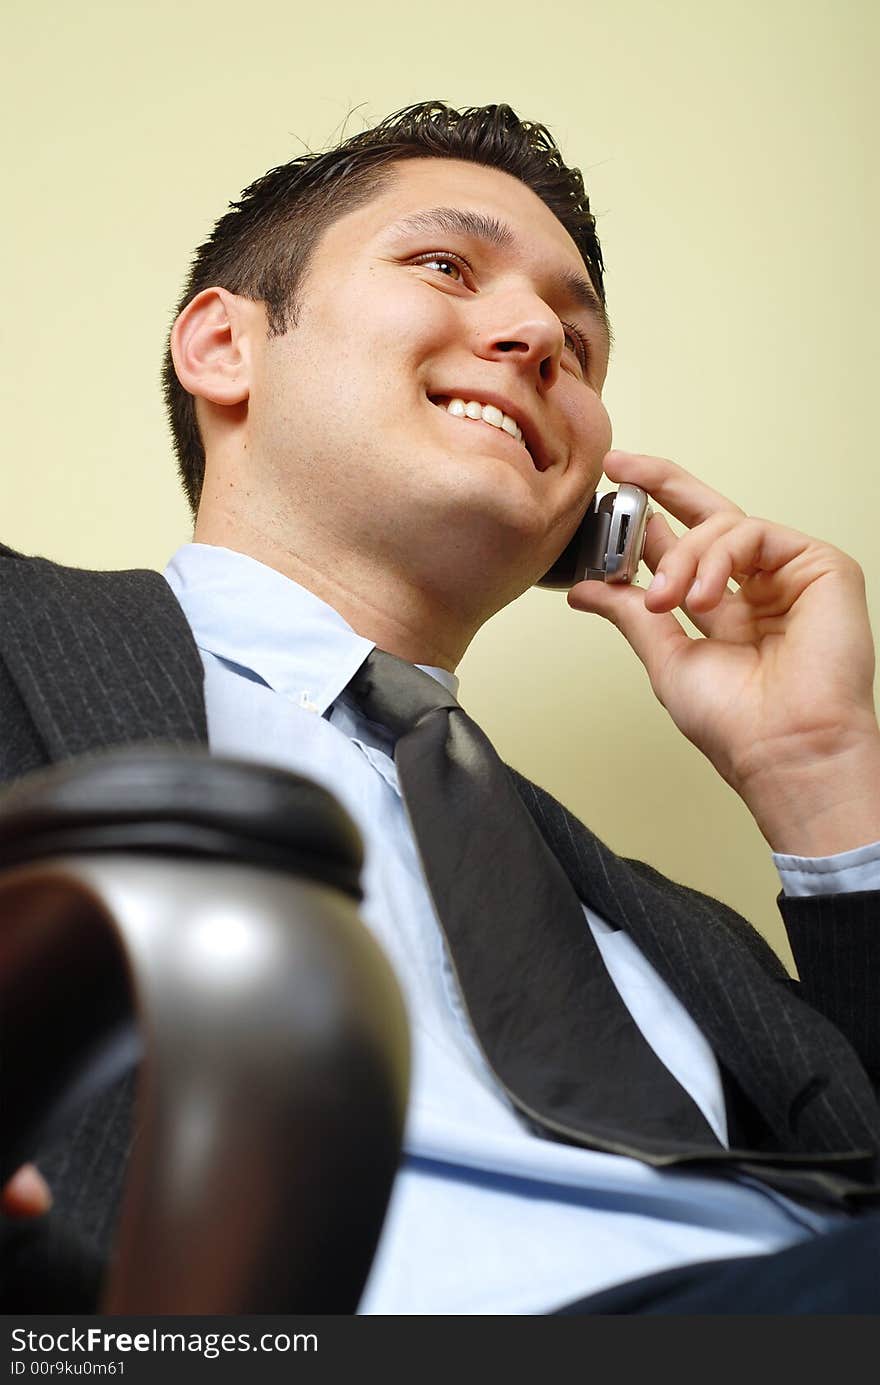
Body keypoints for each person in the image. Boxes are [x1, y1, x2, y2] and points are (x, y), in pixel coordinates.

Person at [2, 100, 879, 1315]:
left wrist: (821, 772)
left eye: (579, 341)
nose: (535, 337)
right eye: (445, 265)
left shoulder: (668, 934)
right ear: (221, 347)